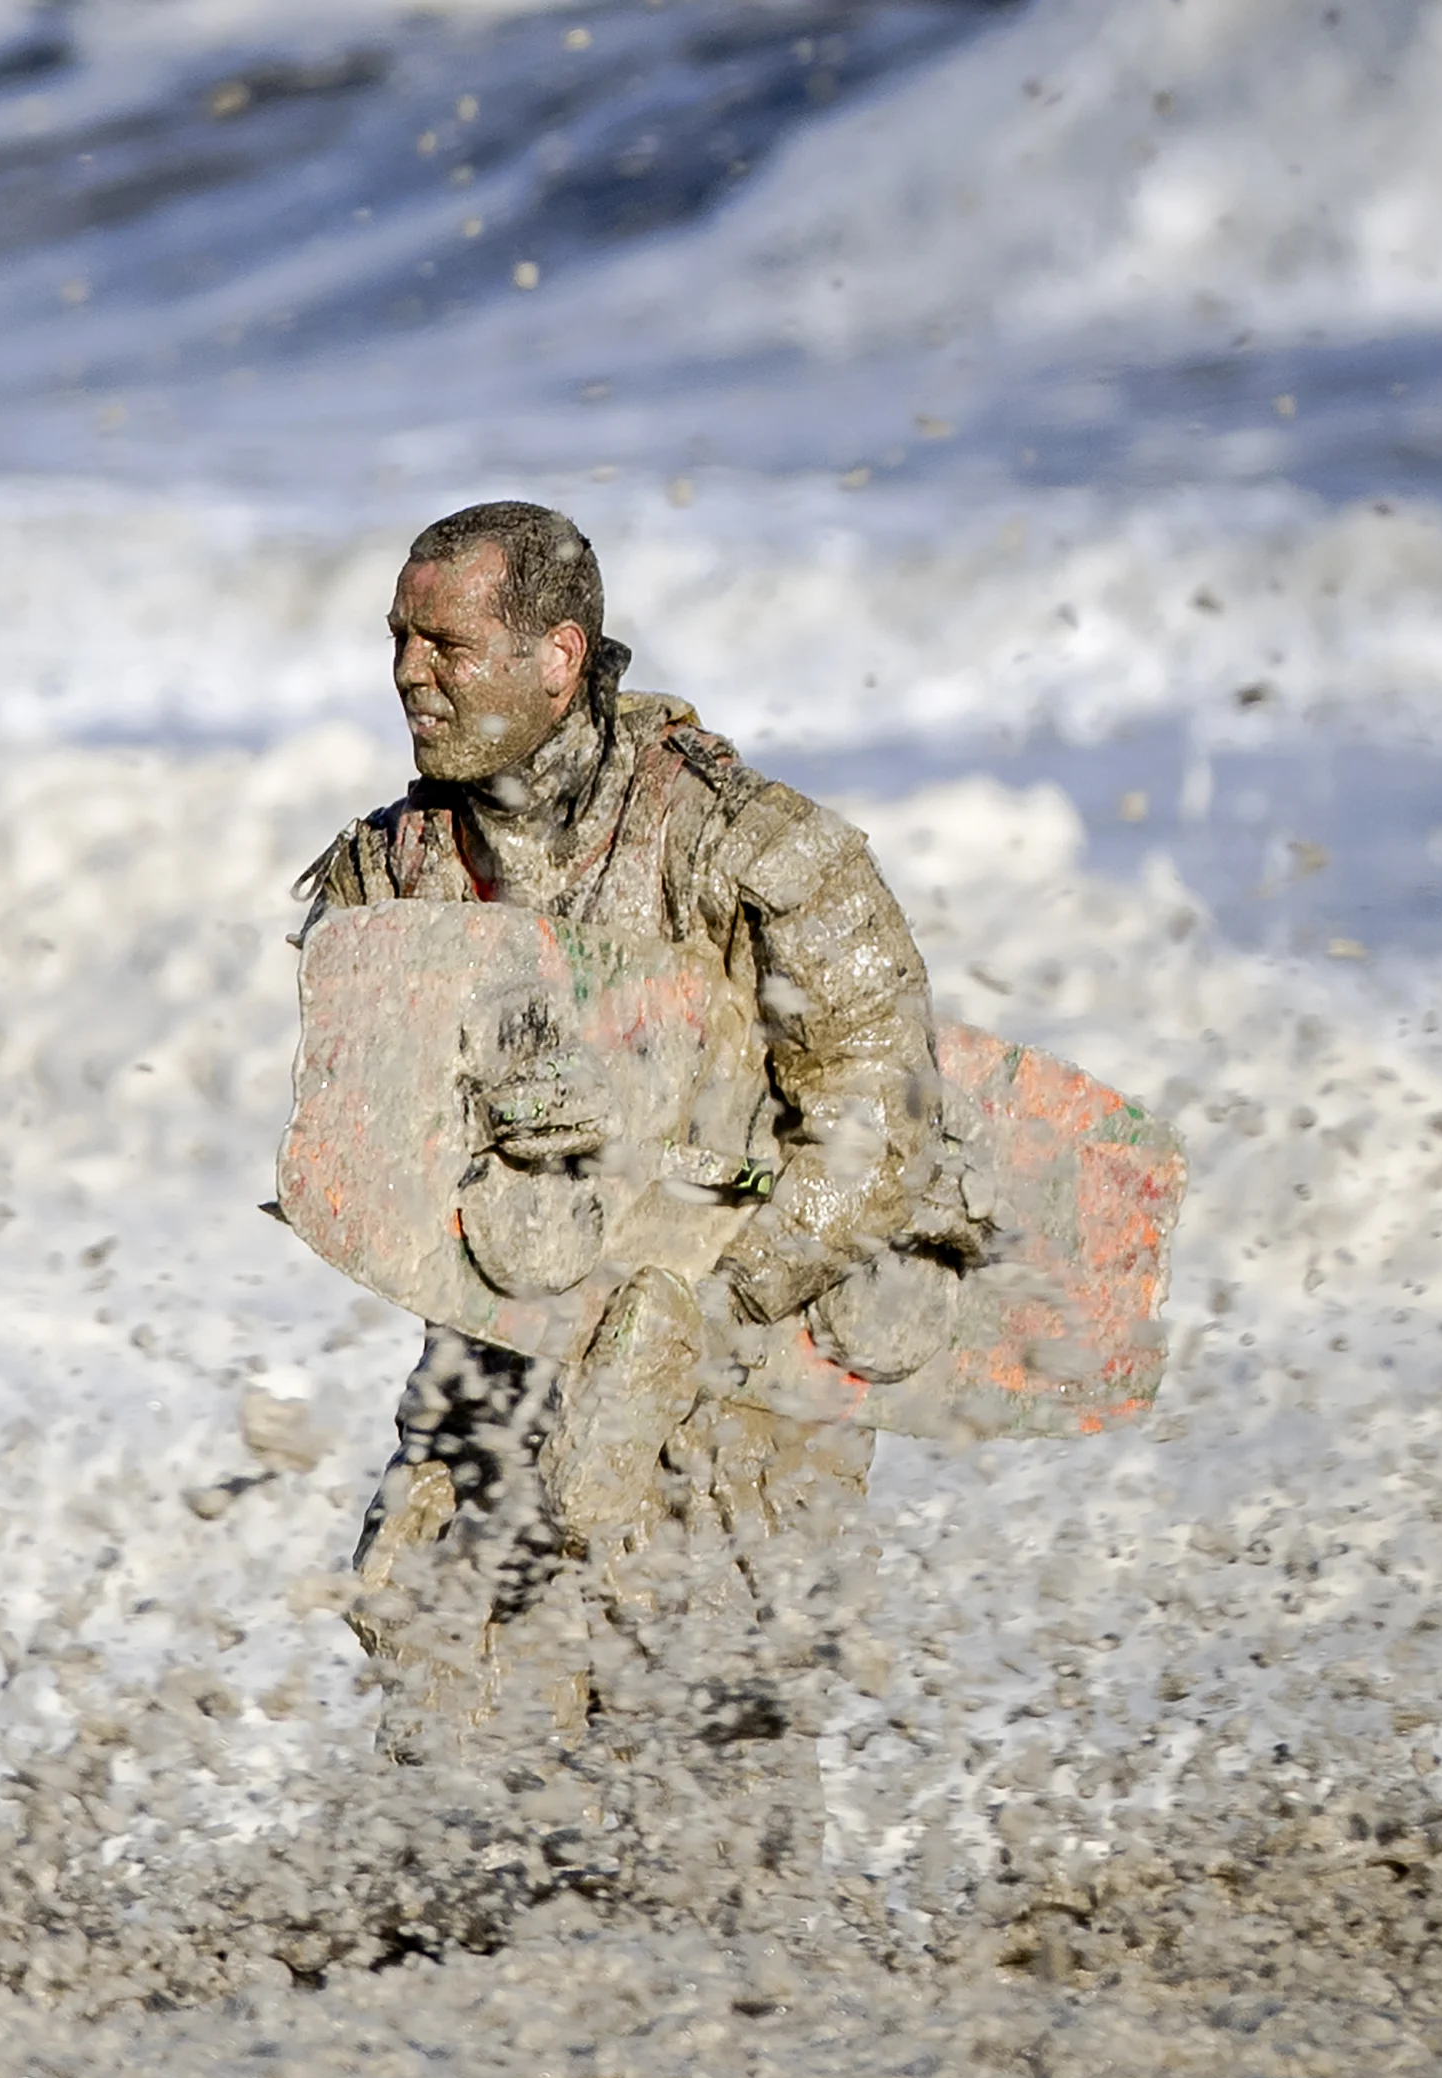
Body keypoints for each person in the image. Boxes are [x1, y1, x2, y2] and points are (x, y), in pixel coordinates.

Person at [296, 501, 961, 1764]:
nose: (406, 673)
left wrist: (704, 1305)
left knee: (697, 1774)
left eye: (443, 642)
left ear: (557, 656)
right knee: (451, 1754)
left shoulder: (749, 848)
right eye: (397, 639)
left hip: (734, 1373)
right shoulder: (389, 876)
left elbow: (886, 1118)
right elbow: (375, 1153)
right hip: (506, 1347)